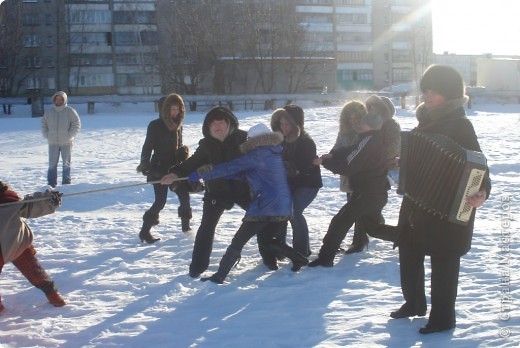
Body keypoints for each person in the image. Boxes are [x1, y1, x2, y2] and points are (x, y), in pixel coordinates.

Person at [388, 64, 491, 334]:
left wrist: (482, 191)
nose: (427, 96)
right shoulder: (426, 121)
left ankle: (443, 318)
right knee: (409, 254)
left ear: (449, 93)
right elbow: (419, 158)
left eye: (433, 91)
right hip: (417, 203)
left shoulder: (460, 125)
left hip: (448, 207)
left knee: (444, 263)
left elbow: (479, 166)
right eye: (425, 91)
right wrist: (404, 162)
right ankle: (414, 303)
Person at [184, 123, 308, 284]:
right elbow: (253, 174)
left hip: (265, 205)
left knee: (238, 241)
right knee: (267, 240)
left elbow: (230, 166)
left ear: (254, 140)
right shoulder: (273, 153)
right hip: (283, 205)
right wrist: (231, 176)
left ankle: (219, 276)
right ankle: (299, 259)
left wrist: (203, 173)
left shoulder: (257, 154)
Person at [160, 106, 252, 277]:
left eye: (221, 122)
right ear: (208, 127)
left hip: (243, 190)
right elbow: (190, 164)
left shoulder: (244, 139)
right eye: (213, 124)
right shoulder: (206, 145)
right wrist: (174, 174)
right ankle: (197, 267)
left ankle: (273, 252)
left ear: (229, 123)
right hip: (216, 191)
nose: (217, 126)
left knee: (262, 218)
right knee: (206, 227)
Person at [307, 111, 389, 268]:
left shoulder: (368, 141)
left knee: (340, 221)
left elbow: (348, 166)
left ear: (369, 125)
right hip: (376, 192)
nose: (359, 124)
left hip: (366, 193)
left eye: (363, 122)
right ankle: (410, 238)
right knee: (373, 227)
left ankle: (325, 258)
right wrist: (333, 155)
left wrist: (324, 162)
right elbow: (351, 150)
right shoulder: (371, 139)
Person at [344, 95, 401, 254]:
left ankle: (401, 236)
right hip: (362, 173)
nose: (372, 111)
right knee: (364, 211)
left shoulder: (391, 126)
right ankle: (362, 239)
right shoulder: (366, 124)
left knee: (365, 212)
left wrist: (371, 156)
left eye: (375, 107)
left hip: (381, 173)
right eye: (370, 107)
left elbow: (393, 150)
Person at [0, 181, 66, 311]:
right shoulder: (8, 197)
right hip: (16, 243)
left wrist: (48, 199)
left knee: (31, 268)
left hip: (7, 248)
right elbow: (30, 206)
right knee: (33, 270)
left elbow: (27, 206)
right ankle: (54, 295)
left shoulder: (8, 198)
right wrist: (48, 200)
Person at [136, 93, 192, 243]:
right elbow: (147, 147)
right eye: (172, 109)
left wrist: (182, 152)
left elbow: (179, 145)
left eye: (178, 109)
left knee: (184, 196)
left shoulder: (178, 125)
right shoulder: (155, 126)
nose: (175, 112)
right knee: (160, 202)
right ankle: (144, 232)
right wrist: (144, 163)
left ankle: (186, 229)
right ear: (165, 110)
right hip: (159, 168)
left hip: (175, 169)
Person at [270, 105, 322, 257]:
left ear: (295, 124)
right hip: (289, 184)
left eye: (287, 124)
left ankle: (301, 251)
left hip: (308, 184)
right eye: (281, 124)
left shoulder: (306, 142)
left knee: (294, 211)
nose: (284, 127)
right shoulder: (280, 140)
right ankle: (279, 249)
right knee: (281, 211)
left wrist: (278, 165)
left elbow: (301, 167)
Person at [41, 91, 81, 188]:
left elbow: (76, 124)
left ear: (64, 100)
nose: (58, 101)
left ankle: (66, 183)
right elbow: (43, 124)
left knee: (66, 163)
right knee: (52, 164)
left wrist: (70, 135)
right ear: (54, 99)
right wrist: (47, 134)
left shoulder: (70, 111)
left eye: (61, 99)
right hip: (53, 142)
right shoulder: (49, 112)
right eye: (57, 99)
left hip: (66, 142)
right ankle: (51, 184)